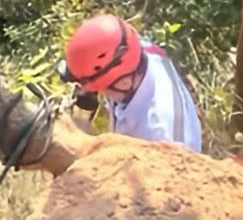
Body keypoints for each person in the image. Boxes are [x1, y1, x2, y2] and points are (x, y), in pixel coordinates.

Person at [58, 14, 203, 153]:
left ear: (124, 84)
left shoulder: (161, 134)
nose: (101, 92)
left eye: (102, 88)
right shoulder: (132, 50)